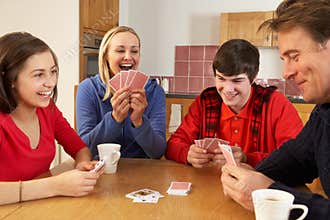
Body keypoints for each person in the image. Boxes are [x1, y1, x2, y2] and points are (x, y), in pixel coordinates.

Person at [221, 0, 330, 219]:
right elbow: (296, 158)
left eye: (294, 56)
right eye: (284, 59)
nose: (286, 72)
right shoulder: (324, 110)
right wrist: (249, 175)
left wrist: (271, 196)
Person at [0, 32, 102, 205]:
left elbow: (79, 149)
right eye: (39, 75)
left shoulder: (48, 110)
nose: (50, 83)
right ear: (11, 79)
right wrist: (55, 186)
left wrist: (82, 165)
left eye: (53, 72)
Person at [166, 39, 303, 168]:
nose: (227, 89)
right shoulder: (205, 102)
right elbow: (172, 145)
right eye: (221, 79)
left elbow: (296, 159)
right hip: (209, 185)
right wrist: (188, 154)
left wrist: (246, 159)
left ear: (253, 78)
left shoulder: (276, 104)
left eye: (237, 81)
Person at [76, 26, 166, 160]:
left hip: (144, 172)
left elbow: (157, 152)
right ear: (106, 55)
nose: (128, 57)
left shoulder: (154, 91)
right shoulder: (88, 89)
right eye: (120, 50)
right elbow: (84, 150)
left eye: (134, 51)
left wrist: (139, 122)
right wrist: (114, 119)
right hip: (101, 170)